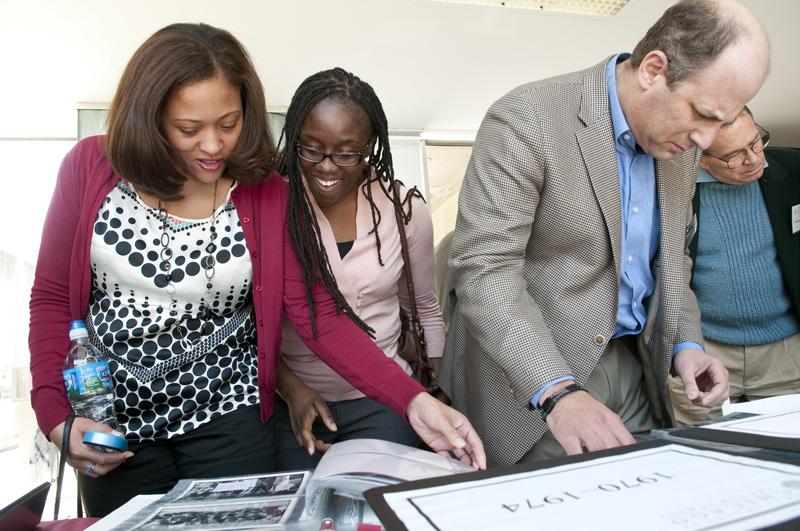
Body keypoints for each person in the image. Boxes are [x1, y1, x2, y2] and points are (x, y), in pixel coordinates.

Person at [28, 24, 484, 516]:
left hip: (230, 415)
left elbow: (320, 316)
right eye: (189, 129)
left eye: (228, 124)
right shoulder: (89, 167)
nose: (213, 146)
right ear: (150, 117)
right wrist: (56, 417)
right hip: (116, 420)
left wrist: (414, 399)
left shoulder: (265, 192)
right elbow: (52, 298)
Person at [440, 0, 770, 467]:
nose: (706, 139)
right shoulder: (527, 118)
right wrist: (557, 392)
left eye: (721, 122)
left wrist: (687, 346)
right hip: (533, 384)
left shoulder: (680, 142)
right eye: (703, 113)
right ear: (654, 69)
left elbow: (672, 260)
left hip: (634, 368)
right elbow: (484, 271)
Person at [273, 68, 446, 469]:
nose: (327, 167)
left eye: (346, 153)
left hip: (384, 401)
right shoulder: (273, 205)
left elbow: (424, 307)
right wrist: (291, 389)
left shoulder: (404, 211)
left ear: (370, 146)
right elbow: (254, 321)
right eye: (311, 148)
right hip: (295, 403)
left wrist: (432, 392)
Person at [668, 107, 800, 424]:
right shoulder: (672, 192)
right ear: (698, 157)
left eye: (756, 142)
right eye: (734, 155)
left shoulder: (793, 169)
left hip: (784, 354)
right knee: (704, 454)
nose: (755, 159)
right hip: (703, 351)